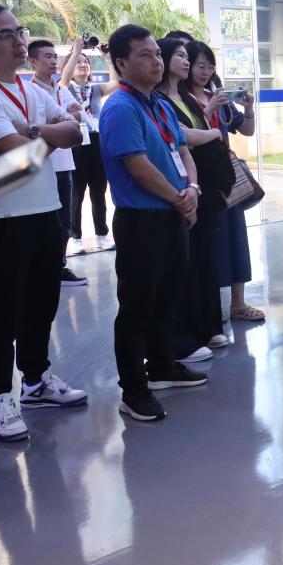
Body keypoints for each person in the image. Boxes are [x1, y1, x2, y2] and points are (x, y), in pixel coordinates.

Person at [0, 3, 88, 442]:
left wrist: (33, 131)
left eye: (18, 31)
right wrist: (40, 136)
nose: (18, 41)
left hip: (44, 210)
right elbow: (17, 157)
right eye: (5, 35)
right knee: (4, 311)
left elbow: (74, 132)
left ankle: (36, 381)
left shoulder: (31, 89)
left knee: (42, 303)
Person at [100, 24, 207, 423]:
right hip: (141, 221)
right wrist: (180, 199)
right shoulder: (120, 108)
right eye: (144, 55)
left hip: (173, 215)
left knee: (168, 296)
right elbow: (138, 167)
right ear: (121, 63)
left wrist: (192, 189)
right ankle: (134, 390)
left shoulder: (159, 104)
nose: (156, 61)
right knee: (136, 307)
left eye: (157, 53)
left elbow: (182, 149)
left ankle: (162, 364)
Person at [154, 37, 229, 360]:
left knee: (206, 258)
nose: (185, 62)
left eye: (187, 56)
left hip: (204, 186)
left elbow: (193, 136)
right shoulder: (158, 100)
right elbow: (184, 137)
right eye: (179, 56)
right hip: (180, 188)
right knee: (186, 261)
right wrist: (213, 134)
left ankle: (210, 326)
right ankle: (188, 333)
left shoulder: (184, 96)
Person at [184, 40, 265, 322]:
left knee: (236, 236)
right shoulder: (182, 100)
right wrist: (208, 109)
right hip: (200, 177)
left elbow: (247, 130)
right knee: (209, 241)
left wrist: (249, 108)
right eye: (200, 66)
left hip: (224, 177)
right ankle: (211, 306)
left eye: (210, 66)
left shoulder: (217, 96)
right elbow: (187, 135)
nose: (205, 72)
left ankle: (238, 303)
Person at [27, 39, 88, 286]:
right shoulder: (30, 92)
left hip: (65, 164)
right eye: (47, 57)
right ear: (32, 61)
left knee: (64, 219)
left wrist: (60, 122)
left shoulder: (62, 89)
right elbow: (32, 128)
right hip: (42, 165)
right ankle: (40, 267)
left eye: (54, 56)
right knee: (42, 220)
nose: (53, 61)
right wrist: (62, 122)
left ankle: (59, 265)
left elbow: (80, 118)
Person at [60, 38, 115, 254]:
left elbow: (118, 83)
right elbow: (63, 81)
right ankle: (75, 237)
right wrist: (76, 52)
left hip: (97, 141)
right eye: (78, 62)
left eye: (86, 62)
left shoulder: (96, 89)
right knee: (76, 192)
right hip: (76, 142)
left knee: (99, 190)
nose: (83, 65)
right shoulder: (65, 89)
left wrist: (108, 58)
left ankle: (101, 234)